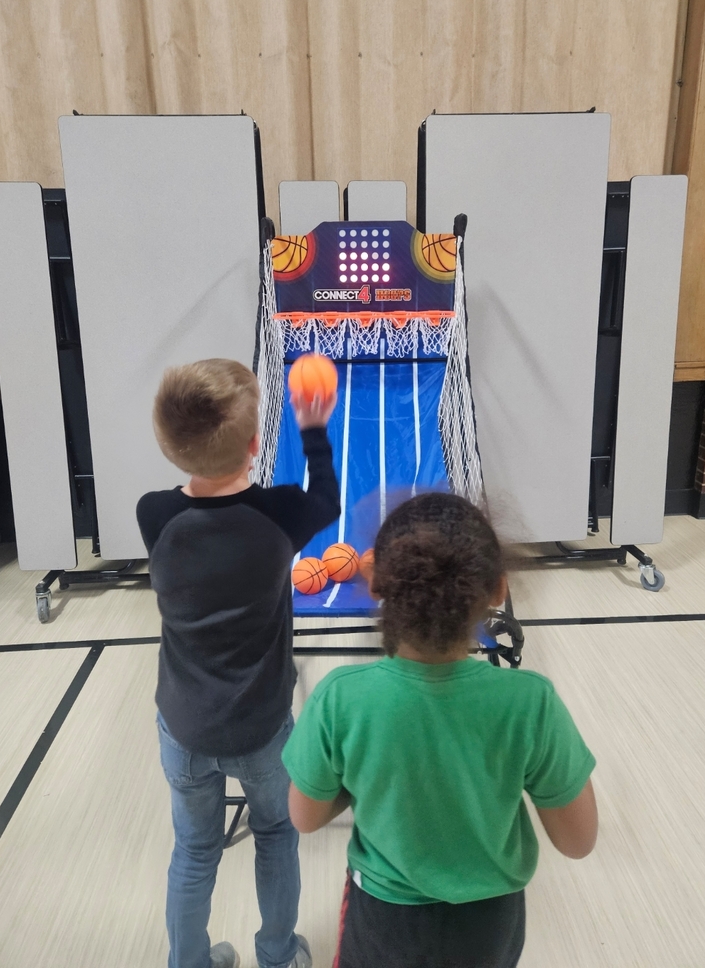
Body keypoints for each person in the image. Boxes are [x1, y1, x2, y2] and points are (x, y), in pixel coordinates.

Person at [282, 491, 597, 968]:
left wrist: (364, 777)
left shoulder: (340, 698)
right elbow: (578, 842)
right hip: (490, 922)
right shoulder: (531, 703)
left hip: (384, 916)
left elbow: (304, 818)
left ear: (378, 587)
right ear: (497, 590)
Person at [137, 358, 340, 968]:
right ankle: (278, 955)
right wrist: (312, 427)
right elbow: (326, 497)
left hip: (183, 725)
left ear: (170, 446)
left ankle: (189, 962)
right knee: (276, 835)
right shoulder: (281, 512)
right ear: (255, 445)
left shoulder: (155, 514)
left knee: (194, 851)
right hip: (260, 724)